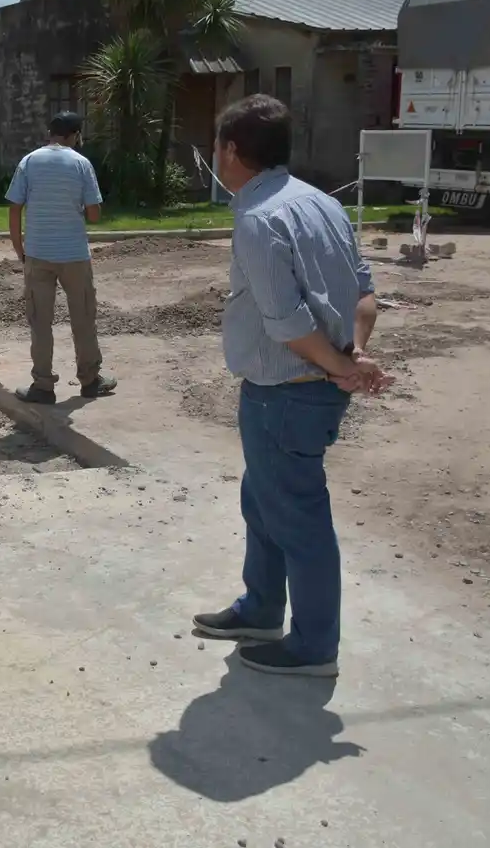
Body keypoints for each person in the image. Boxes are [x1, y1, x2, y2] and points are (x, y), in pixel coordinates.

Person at [192, 94, 389, 678]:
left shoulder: (259, 218)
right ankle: (260, 607)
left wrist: (340, 367)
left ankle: (313, 646)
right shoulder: (321, 203)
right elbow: (365, 294)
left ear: (230, 151)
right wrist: (356, 352)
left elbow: (288, 323)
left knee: (298, 517)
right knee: (264, 502)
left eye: (215, 146)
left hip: (288, 391)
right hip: (301, 386)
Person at [6, 111, 116, 404]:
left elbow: (14, 208)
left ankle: (43, 386)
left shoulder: (29, 162)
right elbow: (94, 214)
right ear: (75, 135)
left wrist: (20, 250)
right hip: (74, 257)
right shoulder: (81, 164)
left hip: (38, 255)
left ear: (50, 133)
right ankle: (90, 380)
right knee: (83, 318)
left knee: (40, 322)